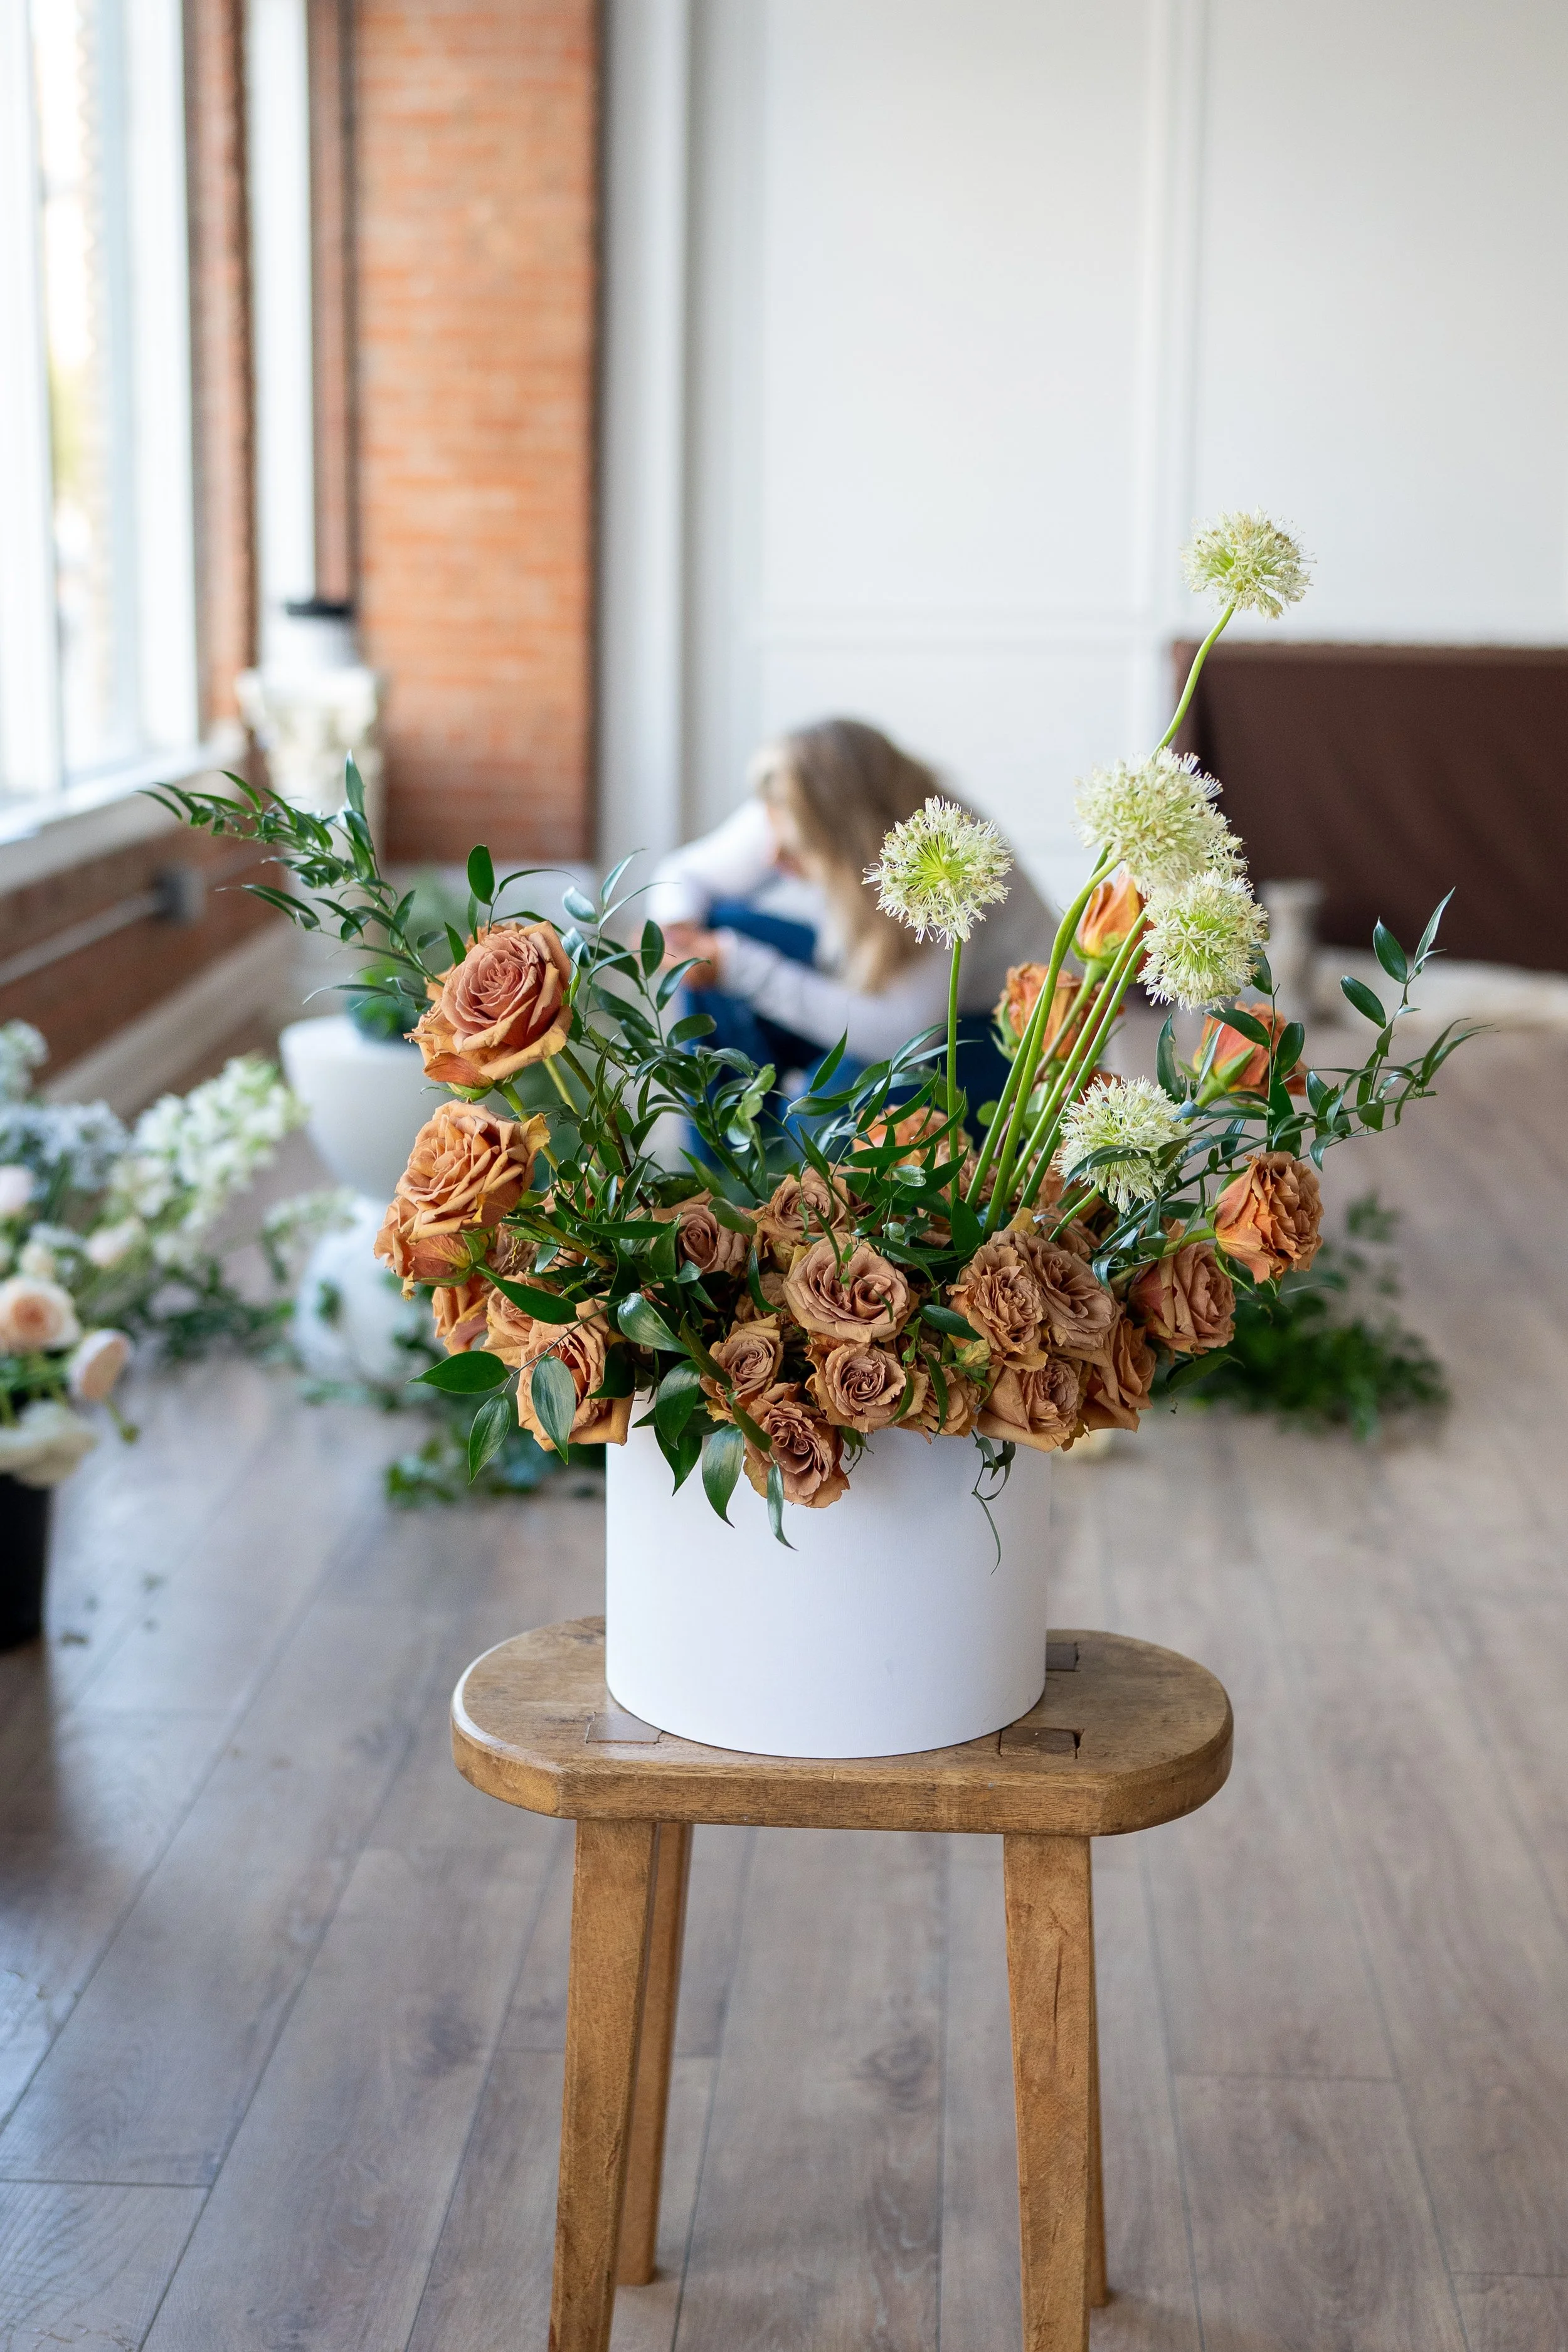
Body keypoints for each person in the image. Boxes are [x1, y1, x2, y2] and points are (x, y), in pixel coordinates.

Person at [647, 717, 1056, 1128]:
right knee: (717, 930)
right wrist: (681, 931)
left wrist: (740, 968)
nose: (771, 857)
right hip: (868, 979)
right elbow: (683, 874)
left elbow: (904, 1035)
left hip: (996, 1031)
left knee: (820, 1123)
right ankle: (726, 1159)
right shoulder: (793, 801)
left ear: (849, 838)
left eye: (797, 849)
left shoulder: (940, 857)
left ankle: (789, 1151)